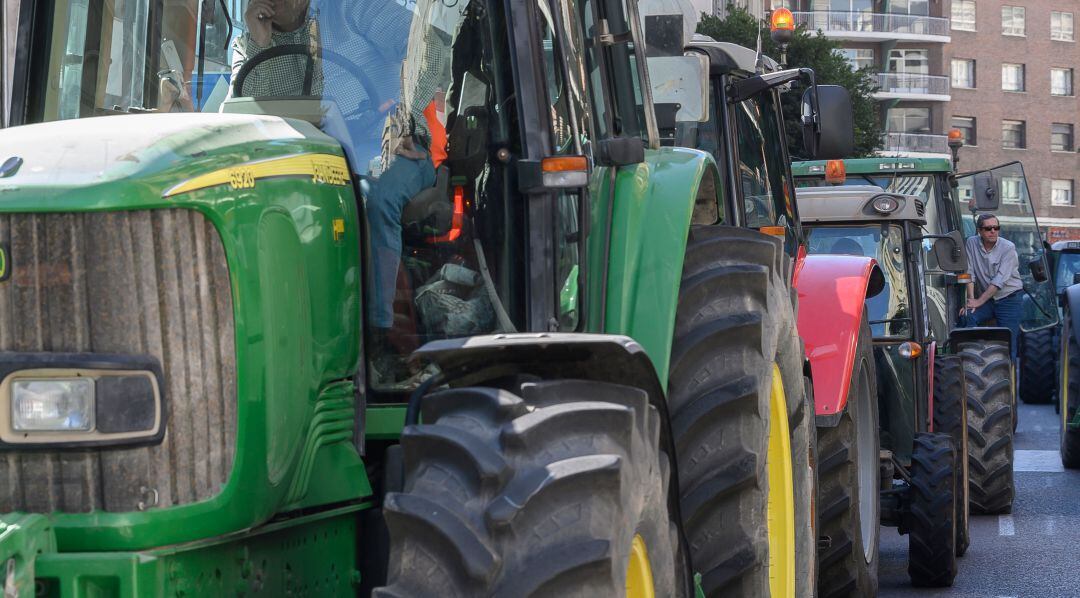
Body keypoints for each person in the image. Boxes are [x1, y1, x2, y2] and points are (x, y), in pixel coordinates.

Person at [960, 213, 1024, 358]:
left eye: (996, 228)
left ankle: (1009, 371)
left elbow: (999, 281)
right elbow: (969, 273)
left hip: (1009, 299)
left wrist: (978, 301)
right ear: (979, 231)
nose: (993, 231)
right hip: (987, 299)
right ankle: (971, 359)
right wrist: (971, 300)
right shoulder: (971, 243)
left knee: (1008, 342)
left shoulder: (1008, 247)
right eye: (988, 228)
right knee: (967, 317)